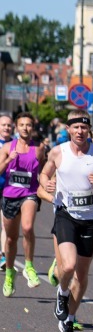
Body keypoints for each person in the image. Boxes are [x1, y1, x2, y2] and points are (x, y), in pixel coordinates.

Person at [39, 109, 93, 332]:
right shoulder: (57, 152)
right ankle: (62, 294)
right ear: (68, 129)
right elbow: (43, 176)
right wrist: (48, 185)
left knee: (81, 275)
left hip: (89, 219)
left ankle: (69, 321)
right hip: (65, 214)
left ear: (89, 129)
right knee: (69, 265)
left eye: (84, 127)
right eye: (76, 127)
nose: (80, 131)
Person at [0, 112, 46, 297]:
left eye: (29, 125)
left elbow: (44, 171)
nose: (25, 128)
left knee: (27, 228)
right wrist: (9, 159)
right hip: (10, 195)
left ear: (32, 128)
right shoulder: (7, 147)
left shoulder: (39, 148)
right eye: (22, 125)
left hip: (30, 193)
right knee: (11, 239)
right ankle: (10, 273)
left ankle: (28, 266)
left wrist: (48, 184)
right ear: (16, 128)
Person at [0, 114, 14, 271]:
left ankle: (3, 255)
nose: (6, 128)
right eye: (3, 125)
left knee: (5, 223)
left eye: (9, 125)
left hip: (9, 189)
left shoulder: (17, 144)